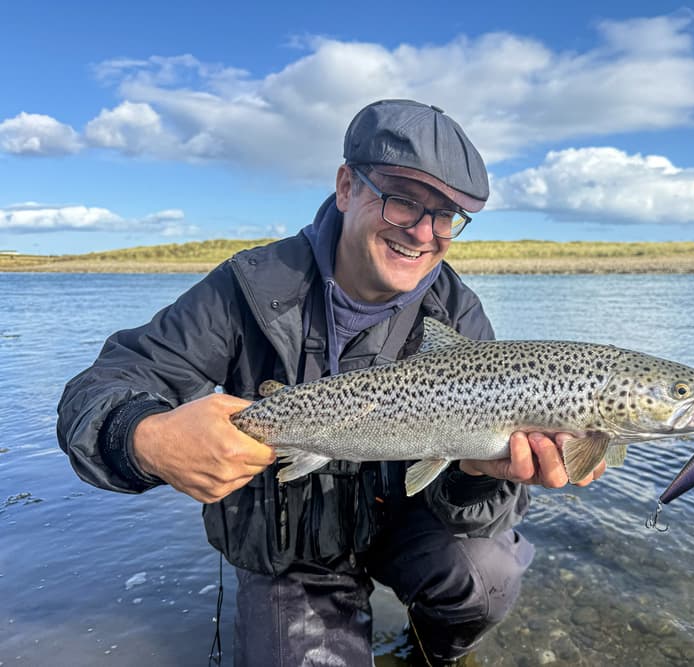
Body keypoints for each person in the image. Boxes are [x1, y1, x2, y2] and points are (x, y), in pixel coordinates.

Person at [56, 99, 605, 666]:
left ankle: (430, 656)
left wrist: (476, 477)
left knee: (490, 575)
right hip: (289, 545)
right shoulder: (249, 287)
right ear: (346, 187)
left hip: (406, 520)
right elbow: (104, 384)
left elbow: (482, 508)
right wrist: (146, 437)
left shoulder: (456, 312)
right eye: (402, 202)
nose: (423, 233)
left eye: (446, 217)